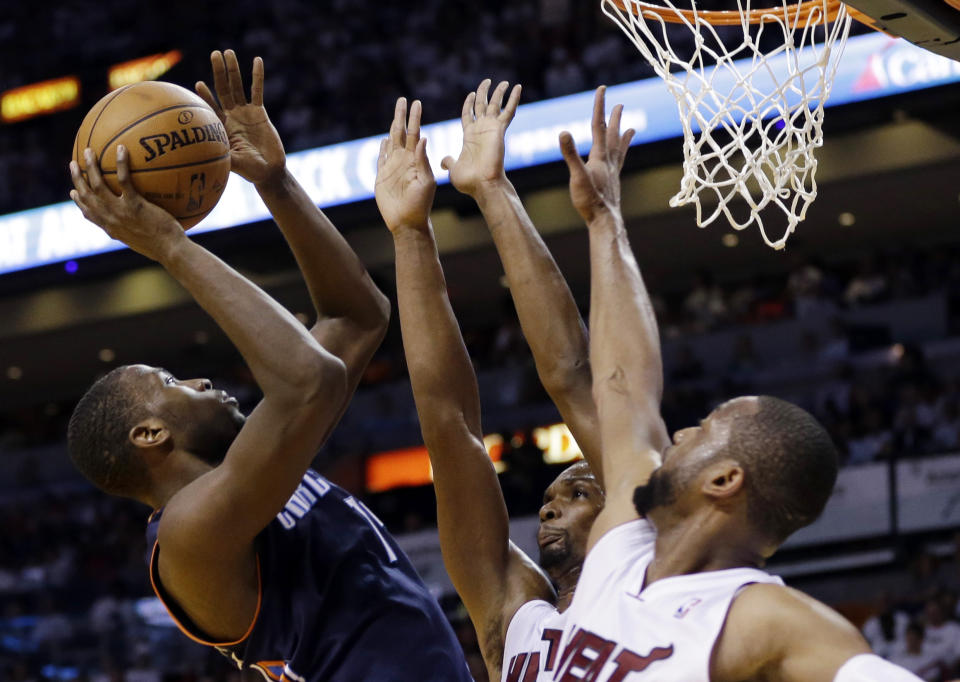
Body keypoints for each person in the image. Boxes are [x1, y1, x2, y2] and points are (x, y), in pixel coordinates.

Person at [66, 50, 472, 682]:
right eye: (171, 383)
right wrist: (170, 245)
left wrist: (275, 184)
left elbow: (358, 317)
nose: (200, 381)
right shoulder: (188, 536)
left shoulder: (256, 467)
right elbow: (313, 377)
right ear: (150, 436)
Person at [546, 87, 925, 681]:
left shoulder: (773, 622)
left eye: (704, 429)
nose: (680, 430)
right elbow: (622, 387)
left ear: (724, 480)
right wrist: (603, 220)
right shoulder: (621, 547)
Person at [375, 82, 661, 681]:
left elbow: (573, 377)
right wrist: (408, 235)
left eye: (580, 494)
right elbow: (449, 429)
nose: (549, 511)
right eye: (552, 500)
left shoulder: (651, 568)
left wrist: (494, 190)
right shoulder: (517, 624)